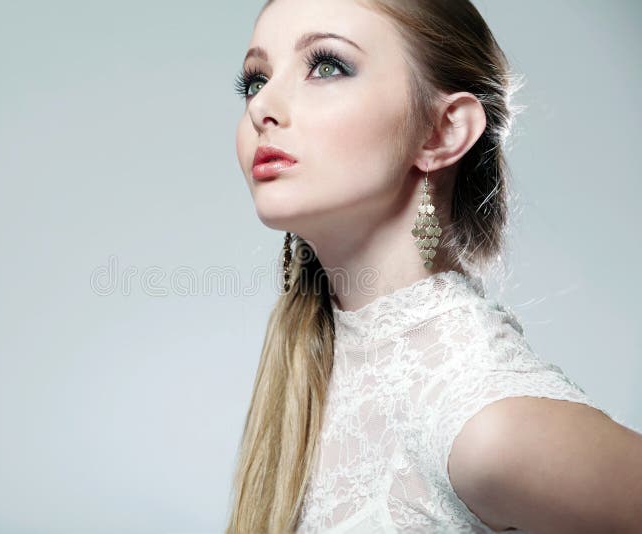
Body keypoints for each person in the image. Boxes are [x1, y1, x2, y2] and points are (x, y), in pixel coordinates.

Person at [225, 0, 642, 532]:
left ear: (442, 132)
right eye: (254, 80)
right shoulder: (315, 355)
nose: (263, 107)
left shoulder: (478, 414)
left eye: (327, 65)